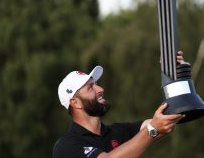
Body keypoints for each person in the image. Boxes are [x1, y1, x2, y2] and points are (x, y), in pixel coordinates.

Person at [53, 51, 186, 158]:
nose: (100, 90)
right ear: (75, 102)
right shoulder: (66, 146)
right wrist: (152, 130)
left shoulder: (118, 131)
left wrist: (175, 76)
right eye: (90, 87)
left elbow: (164, 121)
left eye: (96, 84)